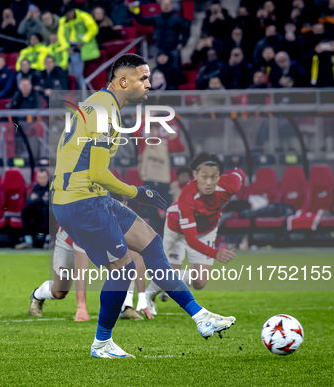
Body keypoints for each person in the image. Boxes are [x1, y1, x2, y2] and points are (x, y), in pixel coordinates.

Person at [51, 53, 236, 358]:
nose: (150, 84)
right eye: (144, 78)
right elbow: (97, 172)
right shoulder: (103, 112)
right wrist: (138, 192)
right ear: (123, 81)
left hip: (88, 197)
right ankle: (101, 343)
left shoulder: (100, 103)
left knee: (150, 243)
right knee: (122, 270)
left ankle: (201, 317)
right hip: (81, 201)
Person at [145, 154, 243, 315]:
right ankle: (150, 295)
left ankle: (167, 284)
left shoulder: (230, 184)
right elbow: (191, 240)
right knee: (168, 275)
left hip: (207, 231)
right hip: (177, 229)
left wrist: (238, 172)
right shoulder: (187, 197)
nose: (209, 182)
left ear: (220, 175)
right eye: (204, 177)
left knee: (199, 282)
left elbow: (240, 173)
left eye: (214, 177)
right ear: (196, 175)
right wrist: (216, 253)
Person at [58, 5, 100, 90]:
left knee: (78, 74)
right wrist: (66, 47)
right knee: (72, 75)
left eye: (68, 14)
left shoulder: (83, 16)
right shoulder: (63, 20)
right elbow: (60, 36)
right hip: (71, 49)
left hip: (85, 49)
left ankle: (83, 94)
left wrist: (83, 40)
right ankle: (76, 94)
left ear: (73, 11)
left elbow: (93, 28)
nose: (67, 16)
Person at [15, 168, 49, 250]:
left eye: (44, 177)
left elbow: (49, 203)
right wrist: (42, 199)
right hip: (37, 214)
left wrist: (37, 199)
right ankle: (28, 240)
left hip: (49, 214)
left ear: (48, 178)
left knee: (47, 210)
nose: (42, 180)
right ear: (37, 178)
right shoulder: (36, 187)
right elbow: (28, 201)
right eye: (40, 178)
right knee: (25, 211)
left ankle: (49, 240)